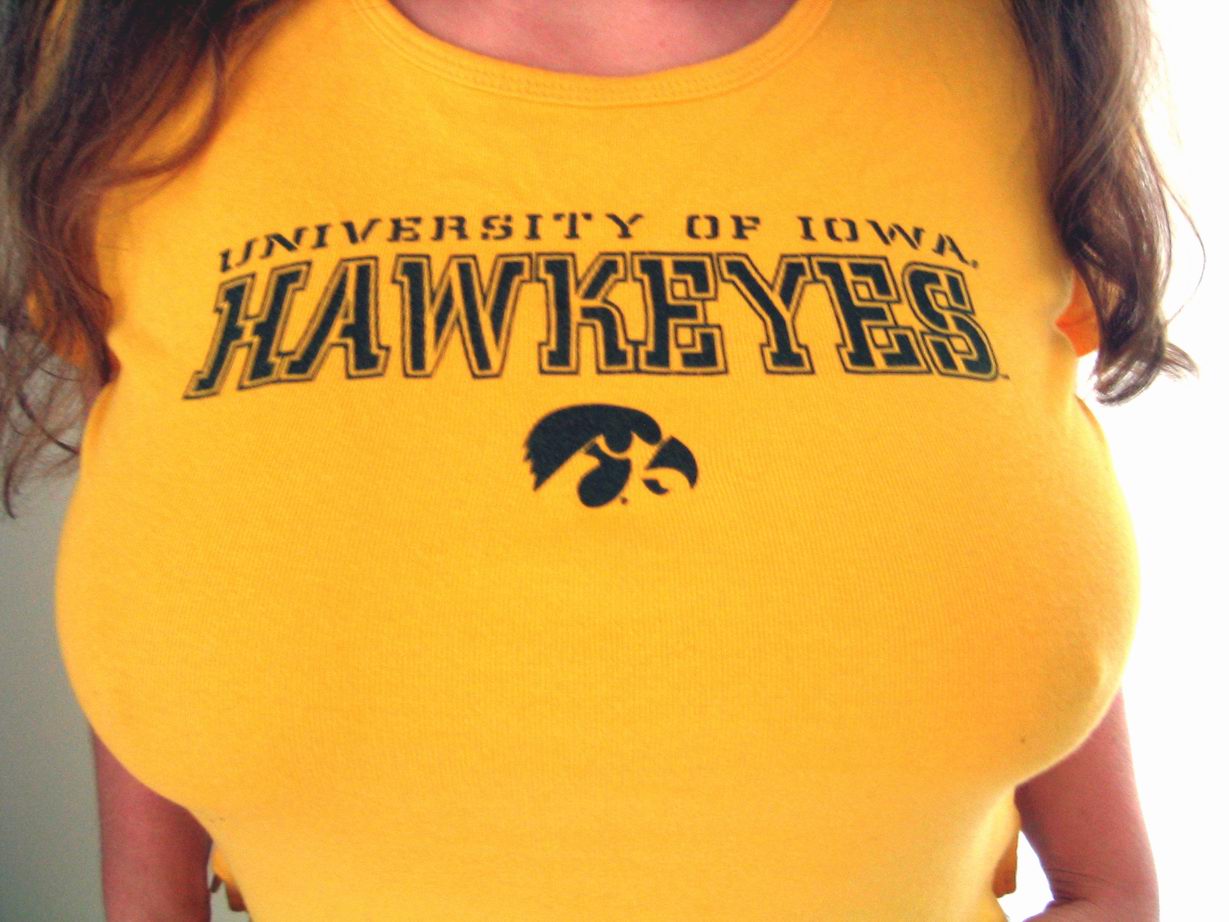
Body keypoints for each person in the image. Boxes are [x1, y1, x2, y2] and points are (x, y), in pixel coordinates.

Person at [0, 1, 1197, 919]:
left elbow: (994, 490)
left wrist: (1110, 887)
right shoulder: (123, 58)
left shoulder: (1021, 44)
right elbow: (160, 506)